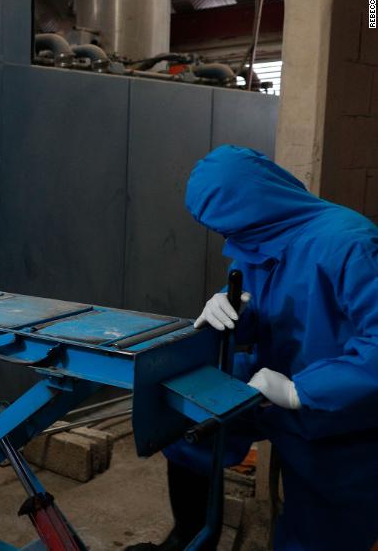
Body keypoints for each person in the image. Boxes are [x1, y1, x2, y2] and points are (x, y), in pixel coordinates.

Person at [132, 146, 378, 551]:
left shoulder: (351, 245)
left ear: (260, 202)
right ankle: (190, 537)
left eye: (234, 228)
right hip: (271, 375)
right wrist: (228, 309)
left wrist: (303, 392)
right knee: (191, 421)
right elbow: (259, 298)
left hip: (340, 411)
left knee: (318, 529)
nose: (231, 241)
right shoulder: (263, 232)